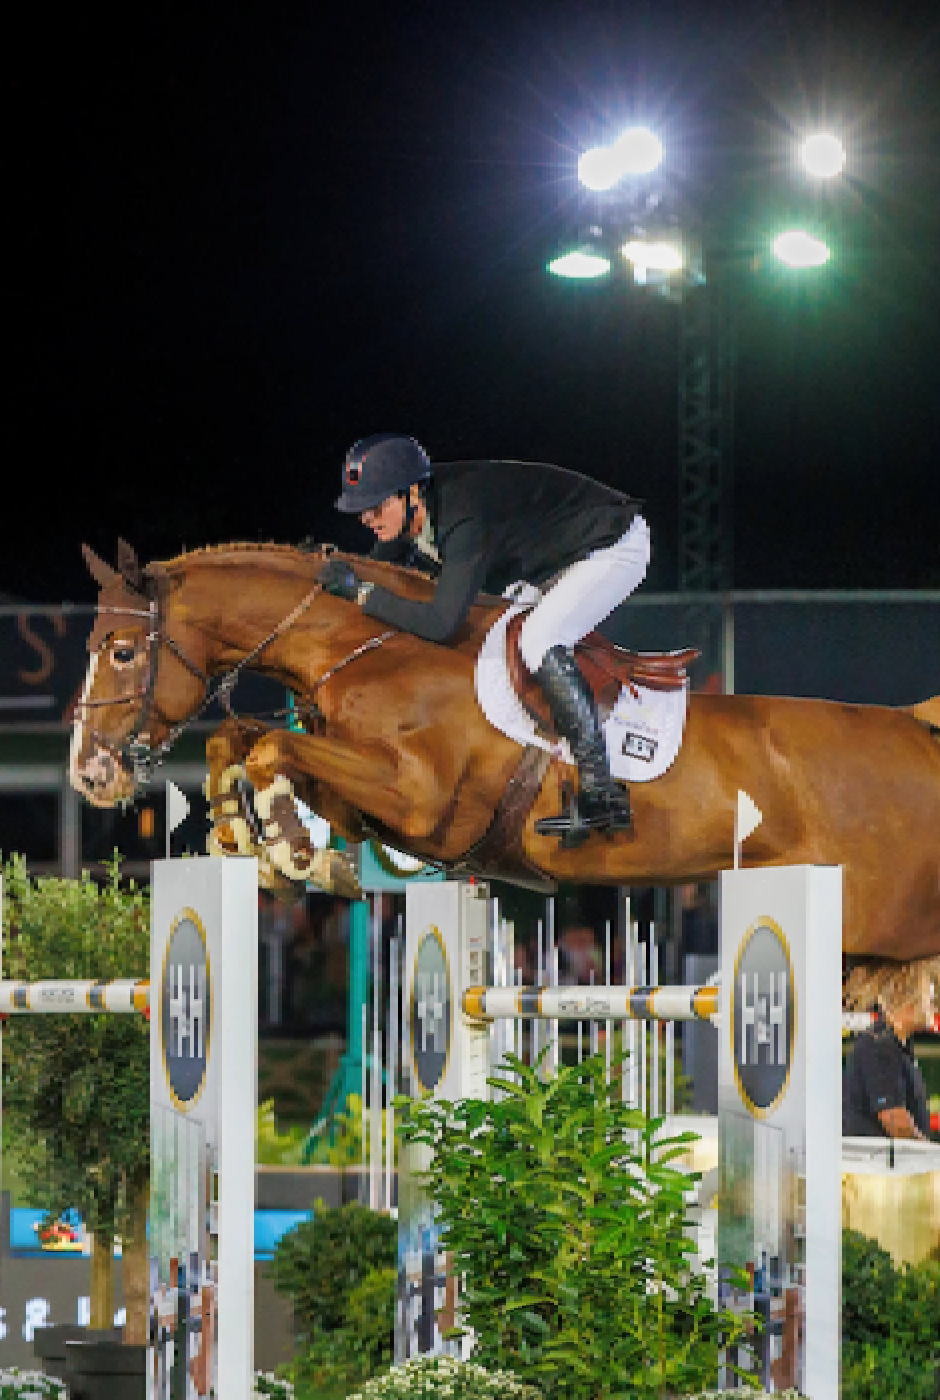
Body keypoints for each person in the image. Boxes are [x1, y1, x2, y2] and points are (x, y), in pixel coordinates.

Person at [318, 433, 650, 846]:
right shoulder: (413, 510)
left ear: (413, 493)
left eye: (376, 506)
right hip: (555, 562)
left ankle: (601, 790)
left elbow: (440, 624)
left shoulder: (463, 517)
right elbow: (373, 572)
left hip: (612, 545)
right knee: (497, 639)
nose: (367, 518)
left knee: (539, 639)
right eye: (361, 510)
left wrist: (362, 594)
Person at [842, 963, 936, 1140]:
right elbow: (895, 1122)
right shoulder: (879, 1045)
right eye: (929, 1000)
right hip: (877, 1157)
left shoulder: (896, 1046)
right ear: (907, 1001)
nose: (934, 1008)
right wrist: (929, 1152)